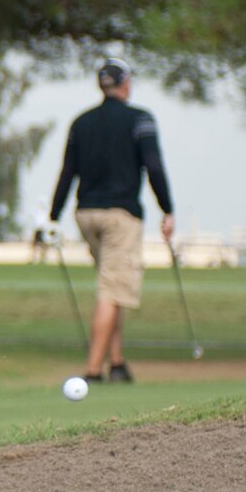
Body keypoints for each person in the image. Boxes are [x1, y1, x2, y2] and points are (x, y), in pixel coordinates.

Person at [46, 57, 175, 385]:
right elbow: (154, 167)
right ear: (126, 83)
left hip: (85, 214)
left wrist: (53, 216)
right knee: (113, 289)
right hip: (120, 216)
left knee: (111, 285)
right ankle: (93, 370)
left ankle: (117, 363)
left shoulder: (81, 122)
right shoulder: (140, 119)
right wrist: (167, 209)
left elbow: (67, 173)